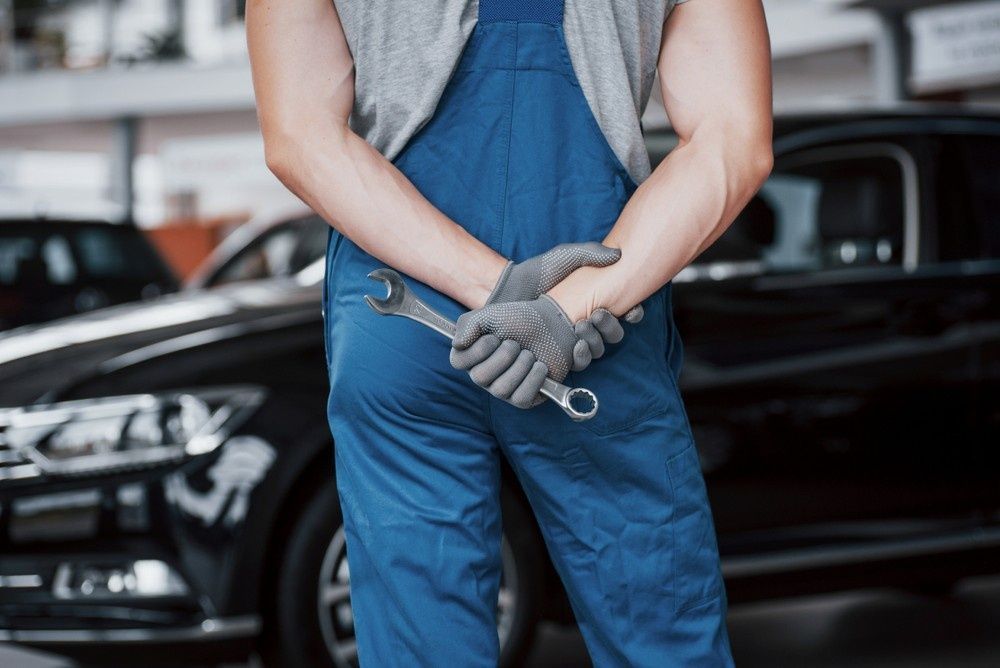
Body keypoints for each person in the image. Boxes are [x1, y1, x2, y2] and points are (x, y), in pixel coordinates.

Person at [247, 0, 772, 664]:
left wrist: (494, 290)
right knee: (658, 623)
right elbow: (733, 140)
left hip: (407, 304)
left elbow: (299, 133)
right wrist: (561, 309)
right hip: (597, 301)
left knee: (422, 635)